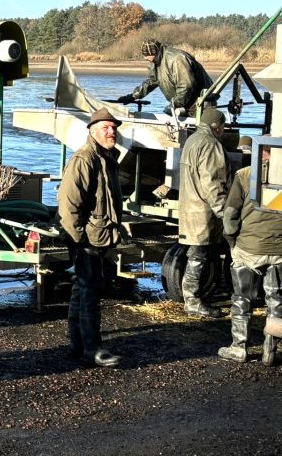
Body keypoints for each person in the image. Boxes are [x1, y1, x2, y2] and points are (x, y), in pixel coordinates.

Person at [57, 108, 124, 368]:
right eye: (106, 128)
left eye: (114, 128)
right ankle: (93, 349)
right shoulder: (84, 158)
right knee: (90, 291)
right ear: (93, 131)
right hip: (88, 239)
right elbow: (68, 202)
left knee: (82, 288)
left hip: (100, 235)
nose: (111, 132)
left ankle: (77, 344)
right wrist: (78, 240)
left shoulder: (107, 158)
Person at [219, 139, 282, 365]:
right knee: (276, 300)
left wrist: (231, 240)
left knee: (242, 298)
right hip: (279, 251)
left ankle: (239, 347)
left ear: (262, 152)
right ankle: (270, 351)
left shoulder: (246, 174)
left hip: (248, 248)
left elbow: (230, 214)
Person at [177, 107, 229, 318]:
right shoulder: (211, 144)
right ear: (217, 126)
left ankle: (192, 298)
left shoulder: (193, 139)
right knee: (198, 256)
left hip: (189, 205)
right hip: (203, 211)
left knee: (196, 254)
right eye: (223, 126)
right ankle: (193, 301)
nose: (224, 130)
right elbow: (213, 182)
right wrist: (224, 213)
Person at [118, 39, 215, 115]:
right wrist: (133, 96)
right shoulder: (156, 62)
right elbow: (151, 82)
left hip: (201, 102)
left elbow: (186, 85)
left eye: (146, 55)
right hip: (185, 104)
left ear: (154, 53)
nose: (145, 58)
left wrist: (175, 104)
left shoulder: (176, 59)